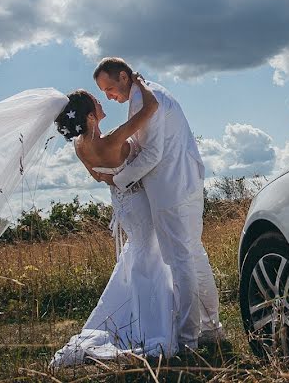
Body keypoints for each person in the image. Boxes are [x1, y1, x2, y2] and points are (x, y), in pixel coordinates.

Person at [92, 57, 223, 351]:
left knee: (180, 262)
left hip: (169, 189)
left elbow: (151, 154)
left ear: (124, 77)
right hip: (185, 182)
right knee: (194, 255)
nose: (109, 97)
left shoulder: (143, 99)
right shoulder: (151, 91)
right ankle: (212, 328)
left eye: (110, 88)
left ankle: (189, 340)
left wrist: (118, 179)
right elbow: (144, 146)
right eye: (103, 93)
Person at [50, 78, 178, 367]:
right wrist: (139, 83)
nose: (101, 101)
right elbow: (152, 108)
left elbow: (99, 176)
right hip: (138, 204)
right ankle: (151, 326)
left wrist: (115, 179)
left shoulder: (81, 146)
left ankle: (137, 315)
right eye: (96, 102)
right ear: (90, 116)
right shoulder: (111, 140)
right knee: (150, 259)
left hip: (122, 206)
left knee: (141, 256)